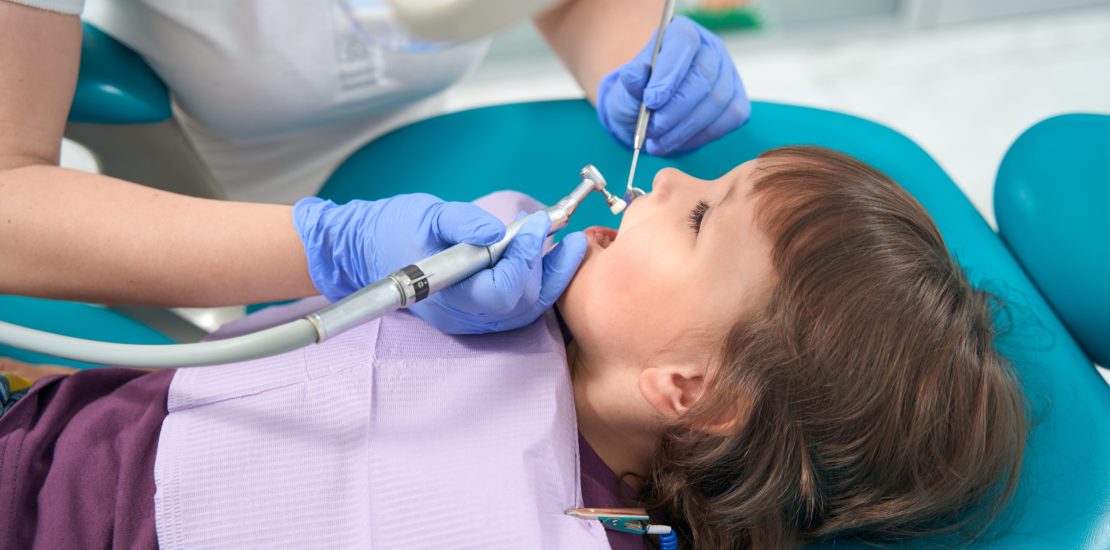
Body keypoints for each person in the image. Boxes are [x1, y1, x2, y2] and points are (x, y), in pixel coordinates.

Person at [0, 146, 1027, 549]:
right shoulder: (493, 276)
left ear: (690, 388)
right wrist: (357, 247)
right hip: (49, 424)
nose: (665, 179)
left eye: (703, 218)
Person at [0, 0, 750, 337]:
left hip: (422, 170)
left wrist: (629, 53)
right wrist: (338, 249)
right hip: (213, 223)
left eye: (700, 214)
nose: (675, 184)